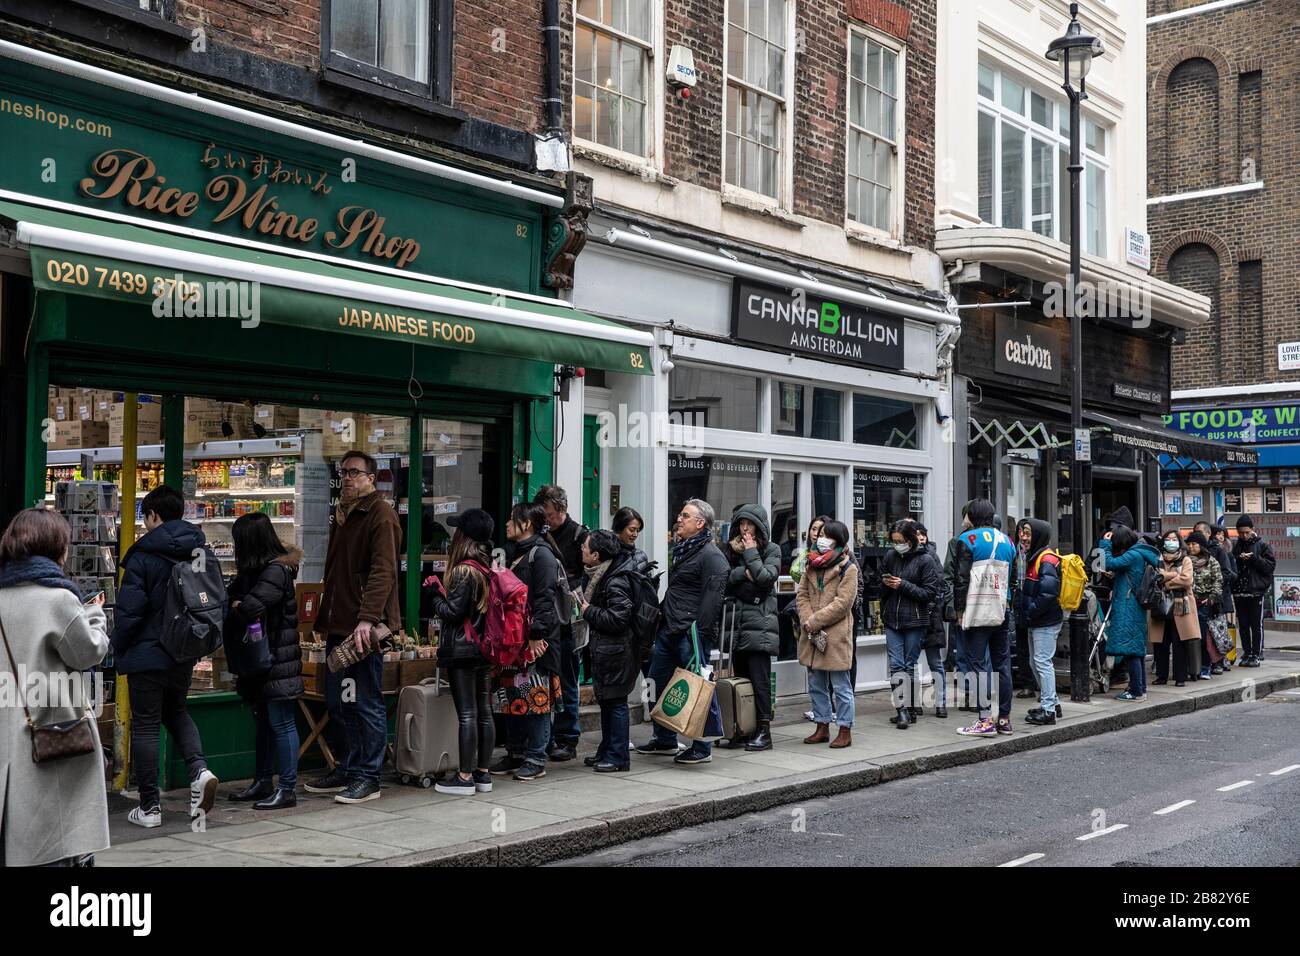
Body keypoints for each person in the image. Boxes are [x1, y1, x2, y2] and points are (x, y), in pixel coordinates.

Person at [0, 508, 110, 866]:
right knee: (55, 839)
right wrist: (95, 615)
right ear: (55, 547)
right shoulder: (58, 600)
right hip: (51, 734)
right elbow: (87, 652)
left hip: (7, 733)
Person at [112, 485, 219, 826]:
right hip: (183, 649)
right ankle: (199, 770)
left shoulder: (143, 554)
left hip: (147, 652)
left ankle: (149, 807)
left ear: (155, 515)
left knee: (145, 725)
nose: (144, 525)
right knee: (177, 711)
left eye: (146, 517)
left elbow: (129, 612)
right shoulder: (198, 548)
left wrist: (117, 646)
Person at [305, 451, 401, 805]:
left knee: (365, 701)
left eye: (355, 473)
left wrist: (368, 618)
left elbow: (383, 571)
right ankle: (348, 765)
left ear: (371, 478)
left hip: (361, 626)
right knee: (338, 699)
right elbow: (335, 572)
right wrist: (323, 619)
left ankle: (369, 776)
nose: (347, 478)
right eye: (343, 472)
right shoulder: (343, 514)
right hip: (338, 621)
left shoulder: (380, 513)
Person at [637, 498, 728, 764]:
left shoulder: (712, 556)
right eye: (680, 513)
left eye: (685, 515)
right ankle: (664, 739)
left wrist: (699, 633)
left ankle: (702, 748)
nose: (679, 518)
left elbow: (712, 601)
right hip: (669, 629)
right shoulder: (683, 549)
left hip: (692, 634)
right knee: (655, 682)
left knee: (699, 688)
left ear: (700, 524)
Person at [224, 513, 303, 810]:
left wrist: (237, 605)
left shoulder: (275, 571)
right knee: (264, 724)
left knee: (281, 723)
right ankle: (262, 781)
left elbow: (249, 607)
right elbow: (230, 599)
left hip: (277, 661)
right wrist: (236, 603)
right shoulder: (255, 571)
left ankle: (287, 788)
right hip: (261, 661)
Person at [423, 508, 497, 796]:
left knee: (467, 713)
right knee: (484, 713)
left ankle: (464, 777)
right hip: (483, 650)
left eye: (458, 530)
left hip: (463, 651)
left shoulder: (465, 570)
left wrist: (435, 595)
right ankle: (483, 774)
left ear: (464, 536)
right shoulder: (486, 567)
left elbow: (453, 612)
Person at [491, 502, 563, 781]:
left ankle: (536, 757)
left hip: (535, 642)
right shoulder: (514, 553)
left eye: (512, 519)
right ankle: (516, 752)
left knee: (535, 698)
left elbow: (545, 599)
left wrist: (536, 636)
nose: (508, 524)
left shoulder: (541, 555)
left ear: (527, 524)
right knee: (512, 698)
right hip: (513, 642)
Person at [948, 499, 1017, 738]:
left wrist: (959, 612)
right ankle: (1005, 719)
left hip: (976, 610)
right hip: (1001, 610)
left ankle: (985, 719)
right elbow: (1014, 580)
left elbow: (961, 580)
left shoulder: (967, 540)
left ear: (973, 517)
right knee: (1002, 664)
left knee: (977, 665)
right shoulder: (1008, 541)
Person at [717, 503, 781, 751]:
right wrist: (745, 573)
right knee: (740, 678)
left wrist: (752, 554)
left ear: (760, 526)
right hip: (737, 625)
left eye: (750, 524)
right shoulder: (730, 550)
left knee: (759, 680)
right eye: (741, 524)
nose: (745, 529)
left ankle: (764, 732)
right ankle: (743, 728)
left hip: (761, 626)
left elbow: (765, 580)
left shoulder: (772, 549)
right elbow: (725, 581)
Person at [575, 530, 639, 772]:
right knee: (608, 702)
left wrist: (588, 611)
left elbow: (619, 618)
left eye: (585, 547)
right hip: (607, 652)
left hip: (617, 652)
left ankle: (618, 756)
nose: (581, 548)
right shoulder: (599, 575)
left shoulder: (615, 579)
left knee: (616, 703)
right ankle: (608, 750)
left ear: (596, 555)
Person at [534, 485, 588, 762]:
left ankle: (568, 737)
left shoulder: (580, 536)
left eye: (549, 514)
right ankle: (545, 736)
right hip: (544, 618)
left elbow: (587, 578)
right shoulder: (538, 533)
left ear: (562, 510)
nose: (545, 520)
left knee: (567, 678)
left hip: (567, 620)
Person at [797, 520, 860, 747]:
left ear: (839, 540)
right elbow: (802, 595)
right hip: (812, 634)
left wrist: (815, 620)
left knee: (841, 686)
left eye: (826, 535)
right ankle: (821, 725)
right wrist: (807, 620)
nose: (820, 538)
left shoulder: (848, 567)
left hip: (835, 634)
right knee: (816, 684)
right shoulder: (811, 564)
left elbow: (844, 604)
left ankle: (844, 729)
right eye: (819, 533)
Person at [879, 519, 942, 730]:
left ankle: (911, 708)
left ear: (911, 539)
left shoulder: (926, 560)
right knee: (897, 666)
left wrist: (902, 585)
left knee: (908, 665)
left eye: (901, 541)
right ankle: (902, 711)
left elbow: (930, 593)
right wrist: (885, 585)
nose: (898, 545)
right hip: (892, 620)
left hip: (916, 620)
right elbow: (880, 586)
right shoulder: (890, 557)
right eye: (894, 541)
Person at [1097, 526, 1160, 701]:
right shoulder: (1137, 553)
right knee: (1136, 650)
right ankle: (1139, 688)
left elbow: (1108, 562)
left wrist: (1105, 544)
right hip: (1133, 605)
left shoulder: (1133, 555)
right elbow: (1125, 573)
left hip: (1128, 606)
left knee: (1131, 650)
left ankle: (1136, 692)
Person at [1016, 518, 1063, 726]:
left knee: (1042, 663)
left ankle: (1049, 710)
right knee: (1038, 663)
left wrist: (1031, 611)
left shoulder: (1046, 559)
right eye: (1021, 532)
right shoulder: (1035, 557)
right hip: (1037, 620)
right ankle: (1052, 702)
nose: (1023, 537)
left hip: (1044, 621)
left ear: (1039, 535)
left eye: (1028, 533)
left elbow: (1048, 592)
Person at [943, 502, 989, 712]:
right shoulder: (957, 542)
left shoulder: (989, 540)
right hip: (965, 605)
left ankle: (982, 693)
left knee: (980, 653)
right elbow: (950, 576)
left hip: (982, 604)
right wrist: (954, 608)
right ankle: (969, 694)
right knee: (962, 653)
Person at [1150, 530, 1199, 688]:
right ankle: (1161, 676)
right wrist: (1171, 576)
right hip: (1161, 605)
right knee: (1161, 644)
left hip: (1181, 606)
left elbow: (1186, 580)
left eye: (1174, 539)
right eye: (1168, 539)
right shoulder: (1157, 559)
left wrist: (1166, 579)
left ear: (1179, 541)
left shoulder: (1186, 560)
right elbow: (1154, 578)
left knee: (1180, 644)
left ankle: (1180, 677)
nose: (1171, 541)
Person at [1231, 515, 1275, 667]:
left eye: (1247, 532)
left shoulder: (1262, 545)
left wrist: (1253, 558)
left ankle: (1257, 653)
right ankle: (1247, 652)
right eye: (1241, 532)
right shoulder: (1235, 546)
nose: (1244, 535)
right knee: (1243, 624)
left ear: (1252, 530)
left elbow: (1269, 567)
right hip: (1239, 591)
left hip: (1256, 591)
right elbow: (1231, 565)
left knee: (1256, 624)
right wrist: (1238, 558)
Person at [915, 525, 948, 718]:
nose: (920, 538)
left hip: (930, 616)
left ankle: (941, 703)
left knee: (935, 662)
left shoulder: (931, 556)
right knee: (913, 663)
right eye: (916, 534)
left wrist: (933, 605)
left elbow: (940, 585)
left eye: (922, 534)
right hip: (913, 616)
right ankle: (914, 703)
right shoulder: (906, 556)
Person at [1186, 530, 1224, 680]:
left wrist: (1211, 598)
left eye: (1194, 544)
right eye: (1188, 544)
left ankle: (1205, 667)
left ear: (1201, 545)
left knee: (1204, 637)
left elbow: (1218, 581)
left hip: (1204, 604)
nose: (1191, 547)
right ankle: (1192, 667)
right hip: (1189, 603)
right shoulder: (1185, 560)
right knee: (1190, 637)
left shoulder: (1211, 561)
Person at [1210, 524, 1238, 671]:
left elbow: (1234, 574)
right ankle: (1218, 659)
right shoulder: (1211, 550)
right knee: (1215, 629)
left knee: (1221, 629)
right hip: (1215, 595)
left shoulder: (1227, 553)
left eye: (1222, 534)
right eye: (1217, 534)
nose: (1220, 536)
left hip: (1223, 593)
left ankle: (1224, 658)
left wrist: (1220, 577)